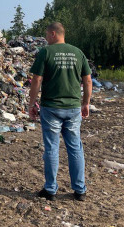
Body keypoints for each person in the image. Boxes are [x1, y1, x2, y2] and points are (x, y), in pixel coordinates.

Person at [29, 22, 92, 201]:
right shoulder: (78, 53)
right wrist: (85, 103)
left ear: (53, 34)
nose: (46, 38)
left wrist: (32, 103)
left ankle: (50, 189)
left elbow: (37, 79)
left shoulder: (46, 52)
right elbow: (87, 81)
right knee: (75, 148)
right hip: (73, 108)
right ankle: (80, 190)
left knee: (51, 148)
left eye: (47, 35)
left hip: (51, 108)